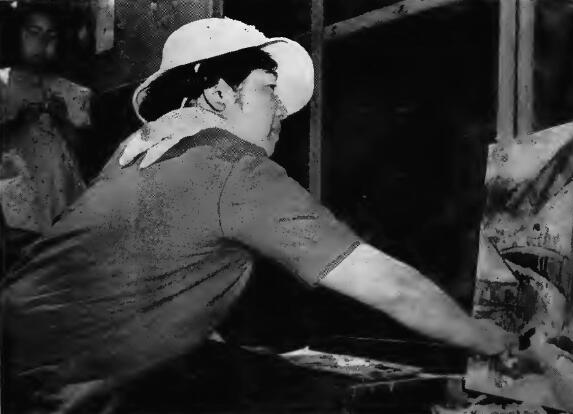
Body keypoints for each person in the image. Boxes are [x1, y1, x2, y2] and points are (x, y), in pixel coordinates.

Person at [1, 18, 516, 413]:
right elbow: (392, 287)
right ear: (219, 92)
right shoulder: (231, 168)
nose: (281, 113)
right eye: (268, 89)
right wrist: (497, 343)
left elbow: (145, 277)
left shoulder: (140, 149)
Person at [0, 3, 91, 274]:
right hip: (16, 217)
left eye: (51, 36)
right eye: (33, 32)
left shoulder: (74, 92)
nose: (41, 43)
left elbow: (86, 157)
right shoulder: (1, 84)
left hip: (66, 215)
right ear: (17, 35)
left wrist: (63, 120)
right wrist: (14, 122)